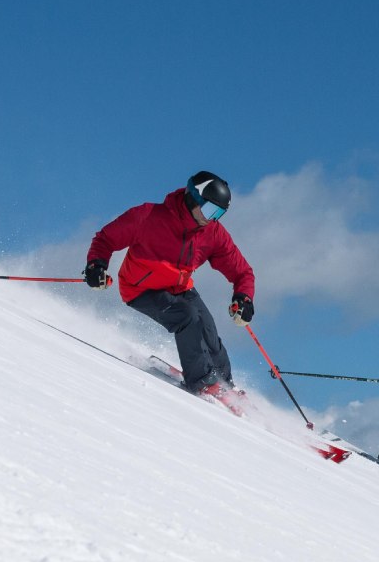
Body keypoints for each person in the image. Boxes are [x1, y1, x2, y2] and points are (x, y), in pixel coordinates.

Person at [83, 170, 255, 402]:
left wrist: (244, 297)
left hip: (179, 287)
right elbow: (105, 239)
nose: (211, 218)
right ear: (194, 198)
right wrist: (96, 265)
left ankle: (225, 383)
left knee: (208, 327)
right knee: (188, 317)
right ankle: (202, 382)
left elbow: (242, 271)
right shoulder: (148, 216)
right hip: (140, 289)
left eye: (218, 214)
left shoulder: (212, 233)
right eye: (209, 210)